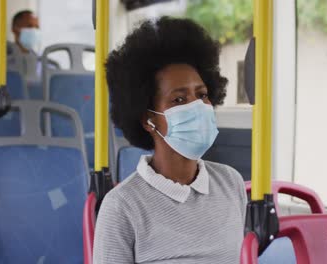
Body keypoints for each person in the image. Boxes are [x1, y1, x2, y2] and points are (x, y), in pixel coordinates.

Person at [93, 17, 247, 264]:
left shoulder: (231, 183)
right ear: (147, 119)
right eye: (178, 100)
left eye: (202, 95)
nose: (197, 106)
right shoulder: (121, 206)